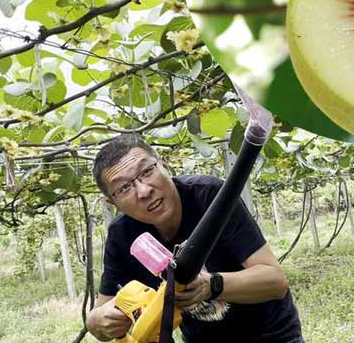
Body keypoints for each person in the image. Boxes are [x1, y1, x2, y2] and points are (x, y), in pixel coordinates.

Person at [85, 134, 304, 343]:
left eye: (147, 172)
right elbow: (100, 315)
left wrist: (211, 285)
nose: (143, 191)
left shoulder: (211, 198)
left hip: (272, 335)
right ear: (113, 204)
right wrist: (97, 321)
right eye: (124, 188)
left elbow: (276, 282)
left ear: (164, 165)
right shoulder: (123, 235)